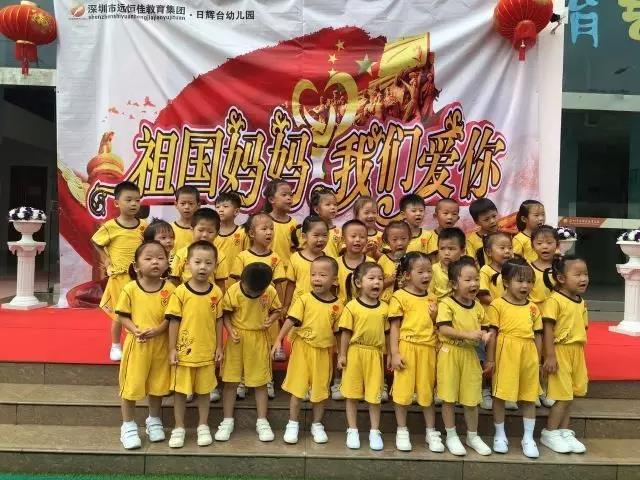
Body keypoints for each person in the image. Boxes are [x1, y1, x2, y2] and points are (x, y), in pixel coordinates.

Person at [273, 256, 342, 445]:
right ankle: (292, 423)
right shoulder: (303, 299)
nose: (317, 278)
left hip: (324, 352)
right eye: (313, 274)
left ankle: (317, 424)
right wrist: (278, 339)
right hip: (302, 350)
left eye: (322, 275)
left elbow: (338, 332)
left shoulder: (338, 305)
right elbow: (291, 320)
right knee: (297, 390)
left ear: (334, 280)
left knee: (320, 392)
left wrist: (342, 354)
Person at [115, 241, 174, 449]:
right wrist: (135, 329)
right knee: (131, 385)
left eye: (160, 258)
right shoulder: (130, 288)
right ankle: (128, 425)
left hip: (161, 345)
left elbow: (171, 316)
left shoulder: (170, 289)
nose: (155, 262)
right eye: (148, 258)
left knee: (158, 385)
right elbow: (122, 315)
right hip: (138, 345)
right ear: (137, 265)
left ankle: (154, 419)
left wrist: (159, 329)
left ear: (167, 263)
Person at [215, 263, 282, 443]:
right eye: (250, 291)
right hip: (237, 339)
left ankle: (262, 421)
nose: (253, 294)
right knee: (230, 381)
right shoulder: (234, 291)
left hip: (259, 338)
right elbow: (225, 314)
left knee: (260, 382)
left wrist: (271, 319)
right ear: (242, 281)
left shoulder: (270, 291)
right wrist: (230, 330)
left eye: (258, 292)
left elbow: (278, 310)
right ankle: (227, 420)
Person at [166, 241, 224, 448]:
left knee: (204, 391)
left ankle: (203, 425)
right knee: (181, 392)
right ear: (188, 263)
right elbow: (174, 321)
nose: (202, 267)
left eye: (208, 263)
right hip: (184, 353)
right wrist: (172, 349)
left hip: (206, 352)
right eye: (197, 262)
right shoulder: (180, 292)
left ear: (215, 265)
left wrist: (219, 347)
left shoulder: (216, 292)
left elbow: (219, 320)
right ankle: (179, 427)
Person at [485, 258, 542, 458]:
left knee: (529, 396)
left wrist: (538, 360)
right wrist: (490, 359)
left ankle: (528, 437)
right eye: (520, 281)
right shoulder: (497, 305)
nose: (525, 285)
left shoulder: (533, 307)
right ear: (507, 282)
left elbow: (538, 335)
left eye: (529, 281)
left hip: (528, 353)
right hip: (505, 352)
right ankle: (500, 435)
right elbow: (492, 334)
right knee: (500, 395)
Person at [436, 256, 492, 457]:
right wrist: (468, 335)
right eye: (467, 280)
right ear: (453, 284)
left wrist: (485, 337)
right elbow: (443, 329)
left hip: (471, 355)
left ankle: (472, 436)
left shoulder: (478, 306)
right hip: (450, 353)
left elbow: (485, 328)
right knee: (448, 397)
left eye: (476, 279)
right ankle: (451, 435)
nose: (474, 283)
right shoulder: (446, 303)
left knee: (471, 398)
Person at [389, 252, 444, 453]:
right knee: (402, 392)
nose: (426, 275)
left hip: (428, 350)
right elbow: (395, 327)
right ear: (407, 275)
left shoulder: (433, 297)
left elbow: (437, 326)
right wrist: (395, 353)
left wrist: (435, 316)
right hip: (407, 347)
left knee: (427, 392)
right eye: (420, 272)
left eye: (429, 271)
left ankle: (431, 431)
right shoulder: (399, 296)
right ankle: (402, 430)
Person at [230, 212, 289, 387]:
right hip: (246, 311)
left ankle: (267, 379)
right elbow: (236, 285)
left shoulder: (275, 257)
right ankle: (242, 380)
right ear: (252, 233)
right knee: (244, 346)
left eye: (271, 228)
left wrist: (280, 308)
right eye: (264, 228)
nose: (269, 232)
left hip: (266, 310)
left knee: (267, 345)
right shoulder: (243, 257)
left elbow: (278, 284)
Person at [91, 181, 146, 362]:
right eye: (128, 200)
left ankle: (136, 340)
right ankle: (115, 345)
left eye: (137, 200)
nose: (133, 204)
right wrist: (106, 259)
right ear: (116, 203)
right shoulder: (110, 226)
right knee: (119, 313)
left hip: (141, 278)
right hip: (120, 278)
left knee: (139, 311)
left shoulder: (143, 225)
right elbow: (96, 242)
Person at [540, 255, 590, 454]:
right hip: (560, 351)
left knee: (570, 395)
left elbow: (583, 327)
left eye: (585, 274)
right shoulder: (554, 300)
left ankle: (564, 430)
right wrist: (550, 356)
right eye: (577, 274)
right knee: (562, 395)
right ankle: (550, 432)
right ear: (561, 278)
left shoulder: (581, 301)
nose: (583, 278)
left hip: (576, 352)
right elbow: (548, 329)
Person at [338, 262, 389, 451]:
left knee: (374, 396)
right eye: (372, 278)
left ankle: (375, 431)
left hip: (375, 354)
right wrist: (342, 355)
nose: (377, 282)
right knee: (352, 395)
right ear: (359, 283)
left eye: (380, 279)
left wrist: (390, 355)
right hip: (355, 353)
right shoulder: (351, 307)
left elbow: (387, 334)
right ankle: (352, 430)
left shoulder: (385, 308)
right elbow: (345, 333)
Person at [333, 219, 374, 400]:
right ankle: (337, 381)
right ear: (343, 239)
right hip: (341, 315)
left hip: (365, 314)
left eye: (362, 237)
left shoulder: (371, 263)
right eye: (353, 236)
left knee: (362, 349)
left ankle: (366, 383)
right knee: (339, 347)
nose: (358, 240)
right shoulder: (336, 263)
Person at [476, 232, 514, 411]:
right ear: (489, 252)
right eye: (502, 248)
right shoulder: (485, 270)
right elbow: (482, 295)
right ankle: (484, 390)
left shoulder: (513, 270)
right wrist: (503, 305)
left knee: (504, 356)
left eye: (510, 248)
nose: (507, 251)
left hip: (508, 321)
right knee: (485, 357)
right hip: (489, 320)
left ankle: (503, 391)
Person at [530, 225, 559, 408]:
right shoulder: (528, 268)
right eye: (539, 243)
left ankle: (548, 388)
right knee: (534, 354)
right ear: (532, 245)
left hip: (555, 317)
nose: (545, 247)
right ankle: (534, 389)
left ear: (557, 245)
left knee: (551, 353)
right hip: (534, 317)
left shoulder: (561, 268)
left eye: (549, 242)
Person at [170, 208, 228, 292]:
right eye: (200, 230)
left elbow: (221, 284)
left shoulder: (220, 256)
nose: (204, 235)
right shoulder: (181, 253)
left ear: (217, 233)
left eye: (210, 232)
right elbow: (174, 280)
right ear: (192, 229)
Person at [284, 216, 329, 308]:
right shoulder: (296, 258)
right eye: (316, 235)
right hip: (297, 308)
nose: (321, 239)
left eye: (324, 235)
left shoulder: (328, 260)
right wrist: (285, 306)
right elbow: (291, 284)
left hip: (319, 308)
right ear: (304, 236)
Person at [214, 191, 248, 284]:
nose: (220, 210)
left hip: (237, 282)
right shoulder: (211, 233)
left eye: (225, 206)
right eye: (217, 207)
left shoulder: (243, 232)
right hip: (216, 282)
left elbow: (248, 257)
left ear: (236, 211)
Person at [263, 179, 297, 262]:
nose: (289, 198)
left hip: (288, 267)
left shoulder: (294, 223)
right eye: (284, 195)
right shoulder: (263, 221)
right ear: (271, 199)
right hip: (267, 266)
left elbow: (295, 248)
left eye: (291, 195)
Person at [428, 227, 466, 301]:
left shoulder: (467, 270)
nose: (446, 253)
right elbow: (429, 294)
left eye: (451, 249)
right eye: (442, 248)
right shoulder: (433, 270)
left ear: (462, 251)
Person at [378, 221, 411, 303]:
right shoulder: (383, 260)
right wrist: (389, 280)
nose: (399, 243)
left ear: (410, 239)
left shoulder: (411, 260)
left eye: (403, 239)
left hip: (405, 302)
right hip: (385, 303)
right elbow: (375, 284)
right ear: (387, 242)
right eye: (394, 240)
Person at [308, 187, 341, 258]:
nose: (333, 207)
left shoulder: (340, 231)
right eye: (328, 204)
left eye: (335, 204)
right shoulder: (310, 230)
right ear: (317, 209)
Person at [466, 198, 499, 266]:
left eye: (494, 216)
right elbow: (471, 262)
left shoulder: (503, 234)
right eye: (486, 219)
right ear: (477, 222)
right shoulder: (471, 241)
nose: (492, 221)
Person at [172, 185, 200, 254]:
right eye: (183, 203)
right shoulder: (170, 228)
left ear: (198, 205)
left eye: (191, 204)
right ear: (176, 204)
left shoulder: (202, 230)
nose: (187, 207)